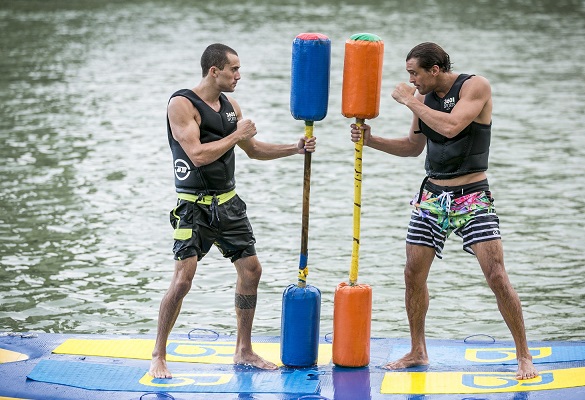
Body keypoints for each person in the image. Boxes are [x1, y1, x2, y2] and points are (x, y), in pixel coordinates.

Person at [350, 42, 538, 380]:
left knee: (496, 274)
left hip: (472, 195)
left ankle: (524, 355)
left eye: (414, 74)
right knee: (412, 274)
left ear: (434, 70)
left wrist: (409, 100)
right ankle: (418, 349)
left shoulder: (475, 86)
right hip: (432, 195)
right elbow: (412, 147)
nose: (411, 80)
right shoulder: (422, 99)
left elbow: (452, 127)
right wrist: (370, 139)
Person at [149, 43, 316, 378]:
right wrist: (237, 134)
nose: (239, 75)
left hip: (229, 205)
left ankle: (244, 350)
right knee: (183, 280)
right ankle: (158, 354)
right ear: (215, 70)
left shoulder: (230, 106)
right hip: (193, 208)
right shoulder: (182, 103)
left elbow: (253, 150)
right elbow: (196, 154)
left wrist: (294, 148)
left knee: (251, 271)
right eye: (234, 69)